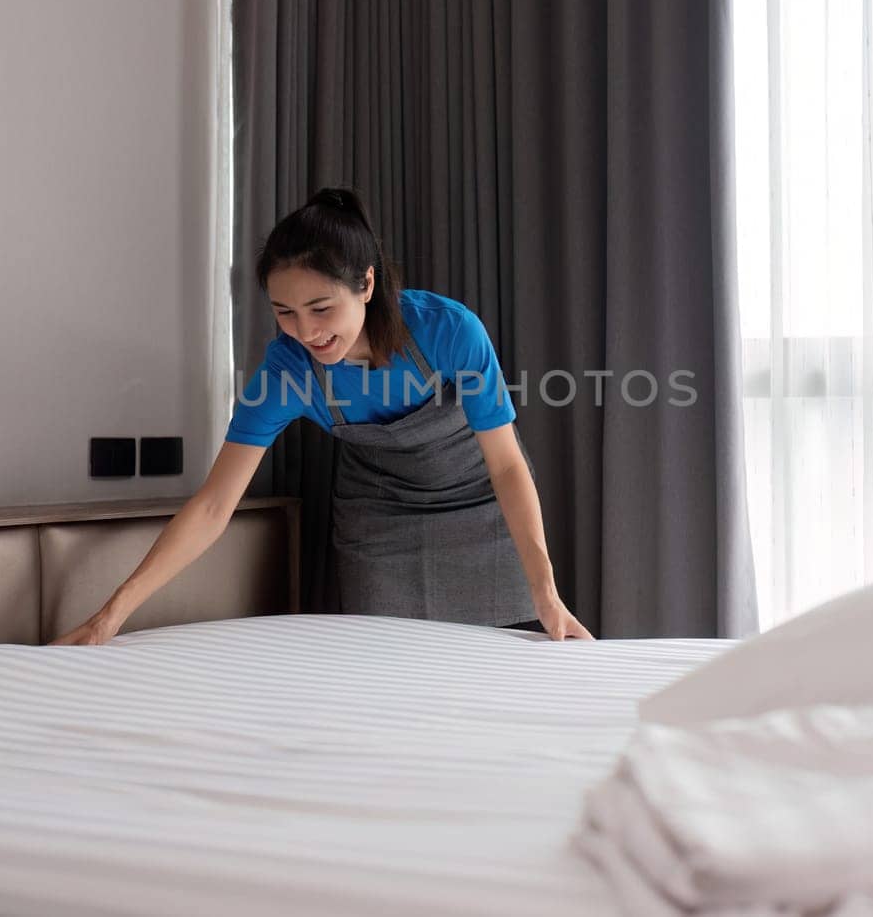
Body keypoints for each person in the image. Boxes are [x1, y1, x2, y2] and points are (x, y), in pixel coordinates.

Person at [51, 187, 592, 646]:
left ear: (367, 284)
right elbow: (215, 505)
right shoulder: (287, 372)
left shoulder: (448, 331)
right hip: (379, 519)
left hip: (479, 506)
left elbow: (506, 467)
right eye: (284, 312)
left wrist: (546, 590)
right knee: (387, 668)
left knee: (500, 670)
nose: (306, 332)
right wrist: (113, 614)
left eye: (321, 308)